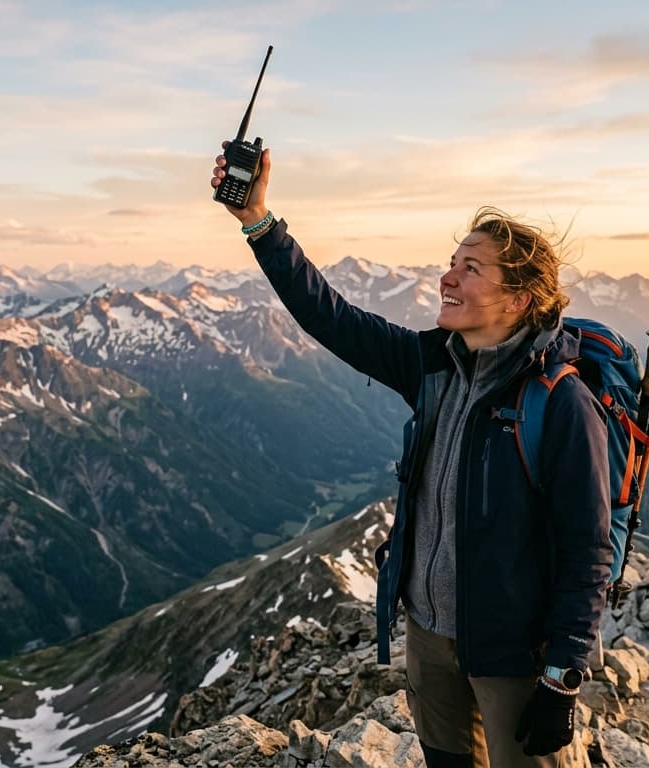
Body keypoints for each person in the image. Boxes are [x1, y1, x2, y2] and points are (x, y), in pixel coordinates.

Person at [211, 146, 612, 768]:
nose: (447, 277)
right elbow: (330, 316)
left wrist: (562, 677)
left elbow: (588, 547)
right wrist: (258, 220)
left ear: (518, 300)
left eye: (471, 268)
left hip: (514, 653)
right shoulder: (432, 365)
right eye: (451, 263)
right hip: (428, 637)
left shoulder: (560, 403)